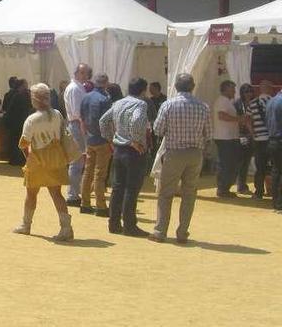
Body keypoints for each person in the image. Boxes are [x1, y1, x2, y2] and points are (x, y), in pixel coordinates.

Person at [150, 73, 211, 244]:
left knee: (165, 193)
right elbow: (209, 133)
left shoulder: (168, 105)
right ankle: (182, 232)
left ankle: (160, 231)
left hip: (174, 152)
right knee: (189, 193)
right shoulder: (203, 106)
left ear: (176, 87)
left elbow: (158, 129)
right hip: (195, 153)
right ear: (192, 86)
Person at [12, 83, 74, 241]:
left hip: (38, 158)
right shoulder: (57, 114)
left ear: (34, 99)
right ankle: (66, 228)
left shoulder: (32, 119)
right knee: (57, 194)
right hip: (56, 157)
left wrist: (29, 160)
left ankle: (26, 225)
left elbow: (24, 143)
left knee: (31, 193)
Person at [99, 78, 151, 237]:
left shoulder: (118, 103)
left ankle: (113, 223)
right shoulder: (140, 104)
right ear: (143, 90)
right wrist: (135, 140)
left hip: (119, 149)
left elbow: (103, 121)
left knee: (118, 187)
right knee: (131, 188)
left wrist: (110, 139)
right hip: (132, 150)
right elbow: (136, 121)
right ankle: (129, 225)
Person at [79, 73, 113, 216]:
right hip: (102, 140)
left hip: (90, 139)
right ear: (105, 83)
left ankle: (85, 203)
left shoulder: (86, 97)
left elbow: (81, 118)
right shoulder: (105, 99)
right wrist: (110, 140)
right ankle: (100, 205)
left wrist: (85, 134)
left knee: (87, 172)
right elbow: (106, 122)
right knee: (100, 174)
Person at [63, 63, 92, 206]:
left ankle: (75, 192)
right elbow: (76, 112)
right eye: (83, 73)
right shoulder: (75, 89)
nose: (86, 75)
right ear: (77, 73)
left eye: (87, 73)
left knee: (78, 161)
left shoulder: (78, 87)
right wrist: (83, 127)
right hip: (77, 125)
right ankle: (72, 195)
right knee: (77, 161)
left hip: (77, 124)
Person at [213, 80, 242, 198]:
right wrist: (239, 119)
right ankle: (222, 188)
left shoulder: (227, 102)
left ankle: (225, 187)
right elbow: (222, 116)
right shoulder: (222, 101)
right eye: (232, 89)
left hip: (229, 137)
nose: (234, 91)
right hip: (225, 137)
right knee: (226, 163)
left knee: (231, 163)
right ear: (225, 89)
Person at [246, 80, 273, 199]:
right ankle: (274, 191)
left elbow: (248, 120)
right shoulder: (273, 101)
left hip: (258, 139)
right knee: (274, 165)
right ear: (270, 89)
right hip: (272, 138)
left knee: (260, 166)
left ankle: (259, 192)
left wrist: (253, 133)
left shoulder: (252, 103)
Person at [5, 79, 32, 167]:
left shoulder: (17, 95)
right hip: (19, 122)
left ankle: (15, 159)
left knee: (15, 141)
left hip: (17, 122)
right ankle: (18, 159)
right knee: (17, 141)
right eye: (25, 85)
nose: (27, 86)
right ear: (21, 86)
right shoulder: (20, 96)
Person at [234, 84, 255, 195]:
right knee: (242, 162)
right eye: (246, 91)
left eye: (250, 91)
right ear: (242, 93)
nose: (248, 94)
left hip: (252, 135)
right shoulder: (237, 103)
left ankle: (242, 185)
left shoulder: (255, 103)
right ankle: (241, 186)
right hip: (241, 134)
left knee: (246, 162)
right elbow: (237, 119)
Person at [265, 87, 282, 211]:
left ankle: (275, 203)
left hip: (272, 139)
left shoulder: (271, 101)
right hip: (280, 139)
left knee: (276, 171)